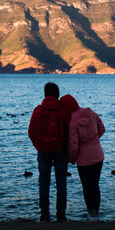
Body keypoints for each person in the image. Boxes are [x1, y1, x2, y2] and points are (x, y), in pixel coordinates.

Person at [28, 82, 70, 222]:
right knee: (61, 182)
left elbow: (30, 132)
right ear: (58, 94)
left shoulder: (38, 110)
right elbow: (68, 133)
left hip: (43, 150)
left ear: (45, 94)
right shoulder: (63, 112)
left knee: (44, 182)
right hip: (60, 149)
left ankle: (44, 214)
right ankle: (61, 214)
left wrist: (38, 145)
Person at [60, 94, 105, 221]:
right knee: (95, 185)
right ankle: (97, 213)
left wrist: (71, 159)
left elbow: (73, 146)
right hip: (98, 155)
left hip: (84, 160)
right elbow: (102, 129)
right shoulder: (90, 112)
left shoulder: (72, 122)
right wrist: (94, 142)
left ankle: (91, 215)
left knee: (87, 187)